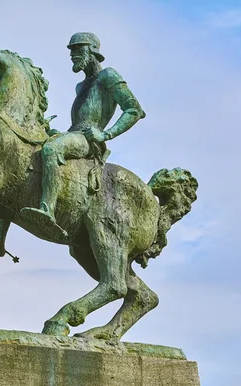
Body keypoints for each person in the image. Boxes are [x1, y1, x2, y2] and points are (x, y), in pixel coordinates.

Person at [19, 32, 146, 238]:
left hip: (89, 140)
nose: (73, 54)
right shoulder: (81, 85)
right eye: (71, 50)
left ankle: (47, 210)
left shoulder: (108, 76)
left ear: (92, 50)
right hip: (75, 134)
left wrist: (105, 134)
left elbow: (134, 110)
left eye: (78, 49)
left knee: (52, 149)